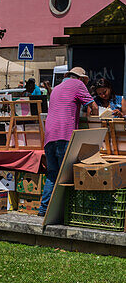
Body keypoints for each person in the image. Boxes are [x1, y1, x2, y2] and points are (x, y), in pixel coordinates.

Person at [39, 67, 98, 216]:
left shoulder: (57, 88)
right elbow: (93, 106)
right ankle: (65, 212)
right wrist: (96, 123)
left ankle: (44, 210)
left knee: (53, 174)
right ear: (81, 79)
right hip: (64, 135)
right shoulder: (77, 85)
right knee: (66, 175)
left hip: (49, 136)